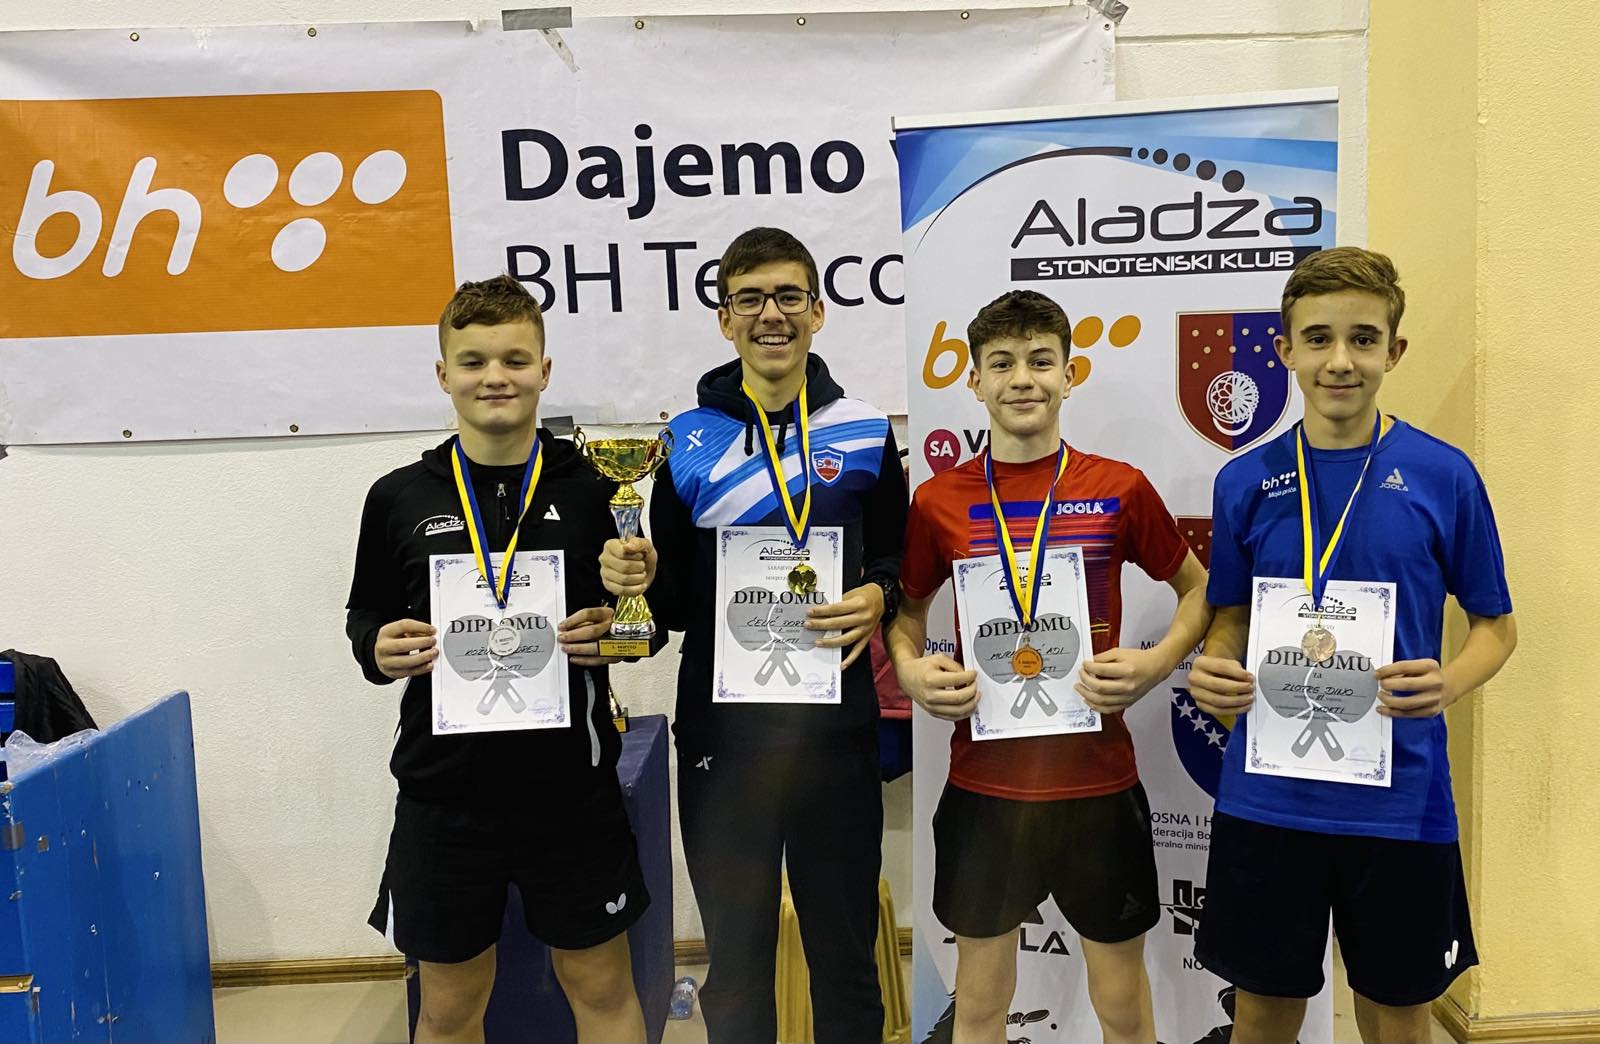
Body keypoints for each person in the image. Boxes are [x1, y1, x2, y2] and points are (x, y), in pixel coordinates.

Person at [1186, 247, 1517, 1044]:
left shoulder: (1444, 476)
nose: (1341, 360)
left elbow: (1497, 629)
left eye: (1363, 339)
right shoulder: (1243, 480)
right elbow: (1228, 617)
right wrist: (1214, 666)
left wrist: (1449, 683)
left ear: (1393, 352)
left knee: (1397, 1014)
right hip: (1269, 797)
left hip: (1402, 802)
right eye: (1319, 338)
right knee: (1263, 1013)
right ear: (1284, 350)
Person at [600, 227, 908, 1043]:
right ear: (724, 318)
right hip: (724, 739)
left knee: (844, 958)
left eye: (788, 296)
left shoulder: (866, 431)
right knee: (735, 966)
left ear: (818, 311)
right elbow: (666, 605)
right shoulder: (684, 442)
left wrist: (879, 593)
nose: (772, 314)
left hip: (834, 732)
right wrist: (635, 579)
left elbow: (896, 556)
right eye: (750, 298)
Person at [887, 289, 1210, 1044]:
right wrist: (909, 671)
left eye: (1040, 361)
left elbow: (1198, 590)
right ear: (974, 381)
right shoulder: (937, 500)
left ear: (1070, 374)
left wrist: (1156, 663)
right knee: (978, 1008)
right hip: (985, 788)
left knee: (1122, 1007)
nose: (1022, 379)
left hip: (1097, 783)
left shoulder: (1118, 486)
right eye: (1002, 364)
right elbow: (906, 617)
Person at [346, 275, 649, 1044]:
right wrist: (377, 646)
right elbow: (365, 614)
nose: (495, 377)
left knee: (602, 988)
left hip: (571, 790)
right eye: (474, 361)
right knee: (449, 1007)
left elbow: (646, 627)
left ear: (544, 371)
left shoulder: (598, 489)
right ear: (443, 373)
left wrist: (616, 628)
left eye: (515, 360)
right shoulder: (398, 496)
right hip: (445, 796)